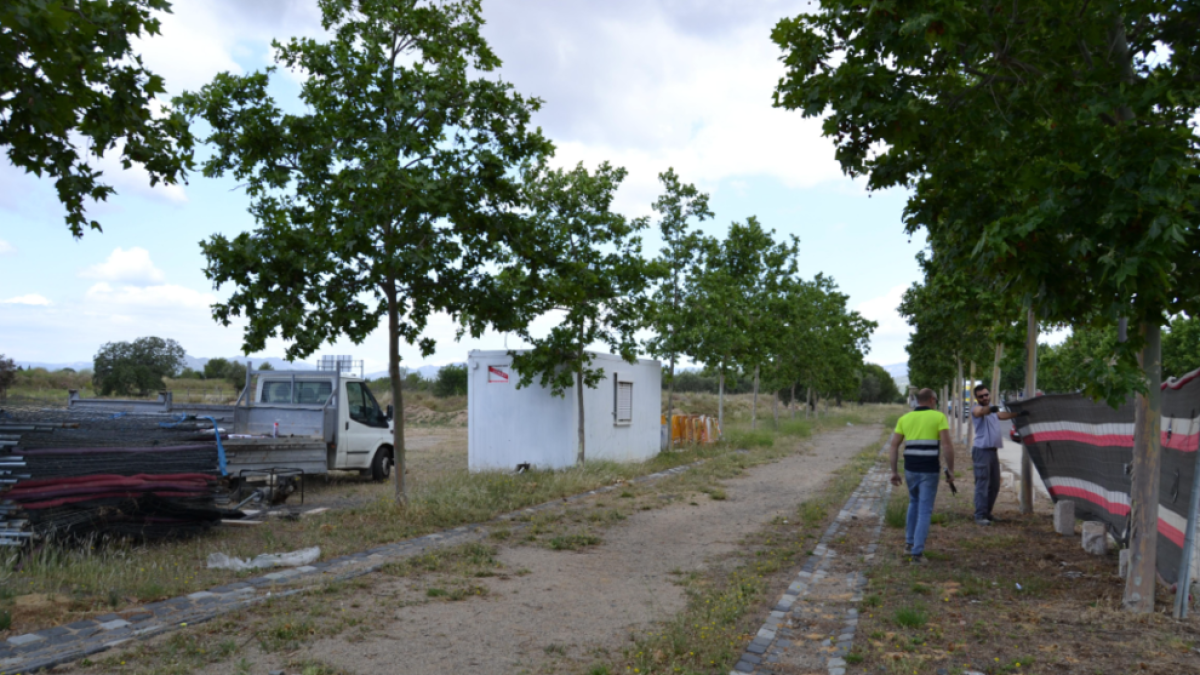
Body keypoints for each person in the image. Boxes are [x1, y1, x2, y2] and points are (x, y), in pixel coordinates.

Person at [889, 388, 955, 564]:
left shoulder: (904, 419)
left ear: (919, 401)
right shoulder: (939, 417)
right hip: (929, 469)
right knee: (925, 509)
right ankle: (917, 554)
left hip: (910, 468)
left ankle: (909, 544)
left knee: (914, 503)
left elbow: (894, 446)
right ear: (932, 400)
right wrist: (951, 469)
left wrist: (894, 472)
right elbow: (947, 446)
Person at [969, 384, 1020, 525]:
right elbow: (981, 412)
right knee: (982, 483)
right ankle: (979, 515)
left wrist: (1018, 414)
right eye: (981, 396)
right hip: (981, 451)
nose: (984, 397)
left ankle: (987, 513)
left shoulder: (992, 409)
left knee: (994, 485)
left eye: (986, 394)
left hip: (992, 451)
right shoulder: (976, 408)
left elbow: (1001, 415)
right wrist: (989, 409)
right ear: (976, 398)